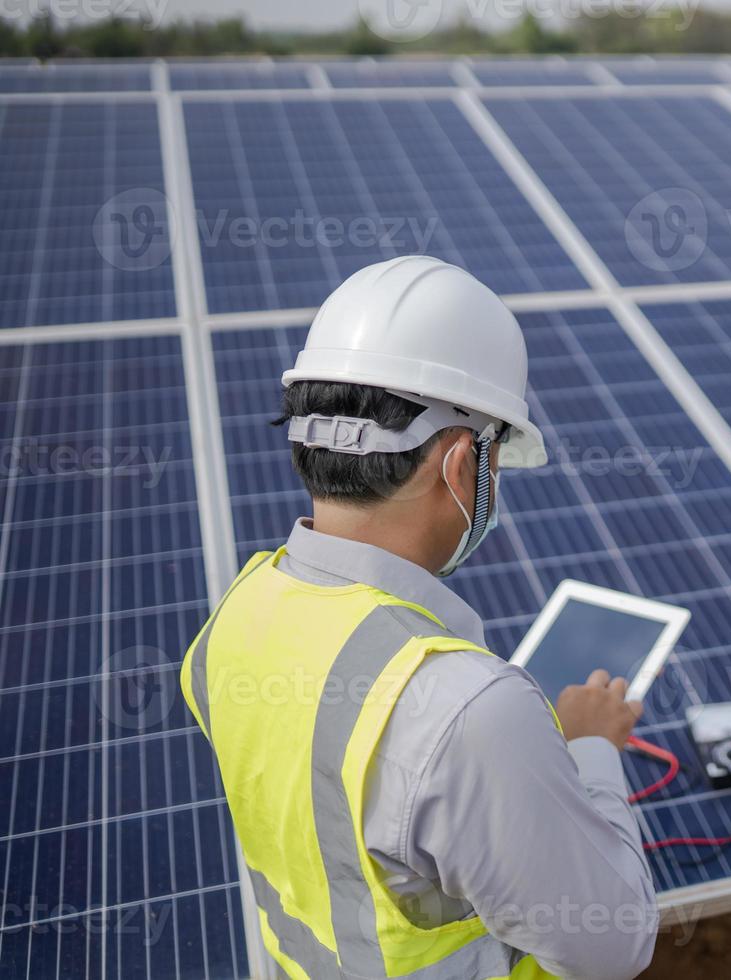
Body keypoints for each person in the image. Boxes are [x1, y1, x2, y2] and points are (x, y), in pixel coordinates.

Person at [181, 256, 658, 980]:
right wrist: (591, 750)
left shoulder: (233, 621)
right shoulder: (466, 710)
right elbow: (613, 946)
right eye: (495, 456)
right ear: (461, 464)